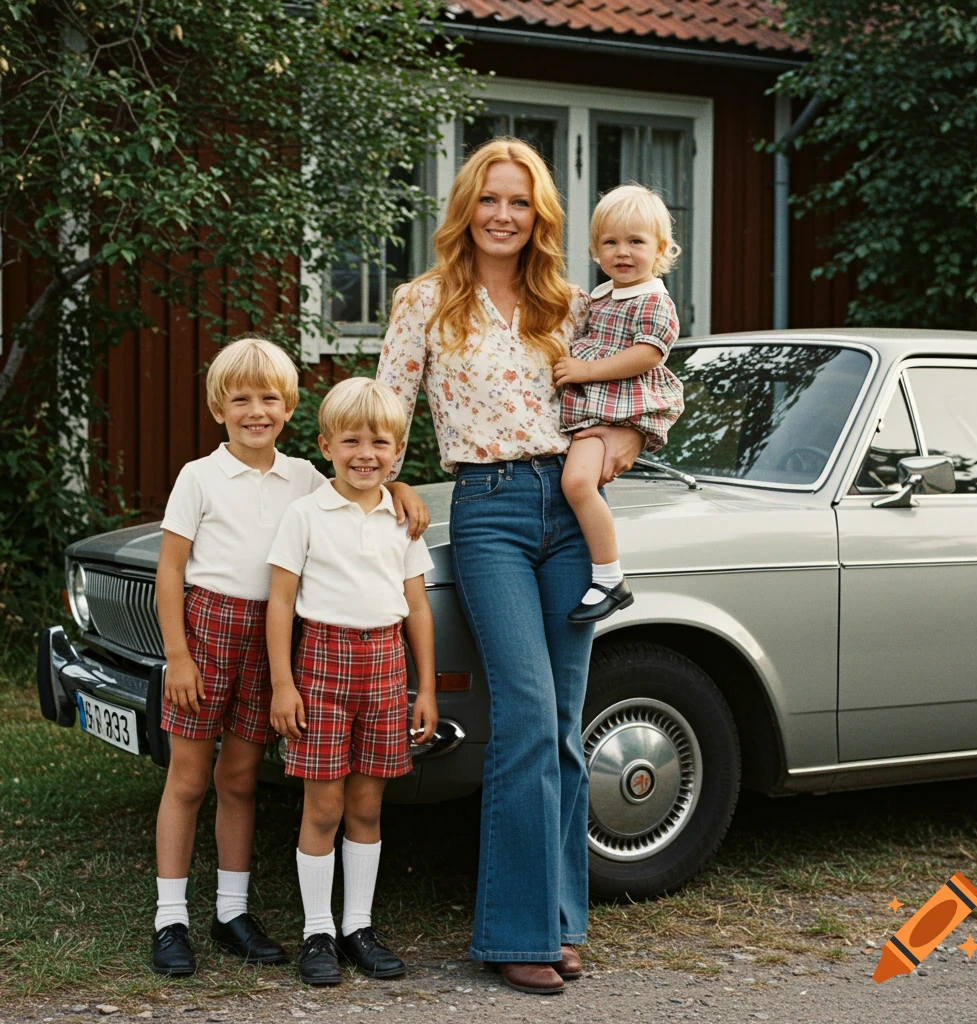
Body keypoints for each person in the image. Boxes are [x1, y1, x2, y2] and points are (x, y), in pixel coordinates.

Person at [377, 138, 644, 995]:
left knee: (565, 722)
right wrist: (388, 490)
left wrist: (621, 442)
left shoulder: (572, 303)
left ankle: (562, 922)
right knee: (526, 713)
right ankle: (511, 932)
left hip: (571, 513)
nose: (503, 215)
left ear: (541, 217)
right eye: (490, 199)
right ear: (466, 208)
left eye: (520, 203)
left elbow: (634, 389)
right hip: (487, 509)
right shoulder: (423, 302)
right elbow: (382, 408)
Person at [152, 337, 427, 978]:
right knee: (189, 779)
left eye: (270, 398)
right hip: (209, 630)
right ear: (219, 407)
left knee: (240, 778)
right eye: (241, 398)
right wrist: (178, 655)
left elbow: (363, 478)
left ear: (289, 406)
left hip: (275, 644)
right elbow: (170, 571)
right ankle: (171, 917)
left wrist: (406, 487)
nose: (256, 410)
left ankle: (231, 912)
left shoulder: (303, 474)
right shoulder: (198, 476)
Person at [265, 376, 438, 987]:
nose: (366, 453)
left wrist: (427, 688)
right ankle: (318, 931)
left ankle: (358, 926)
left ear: (398, 451)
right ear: (326, 446)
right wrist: (283, 685)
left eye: (380, 443)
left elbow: (417, 607)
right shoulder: (305, 514)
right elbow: (281, 604)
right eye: (352, 441)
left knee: (367, 806)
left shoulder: (401, 519)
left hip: (386, 667)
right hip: (322, 668)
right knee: (324, 807)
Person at [553, 184, 686, 622]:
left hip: (615, 412)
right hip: (593, 411)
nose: (622, 252)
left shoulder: (653, 300)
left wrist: (586, 370)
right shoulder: (602, 296)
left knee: (577, 483)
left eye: (636, 242)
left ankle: (611, 577)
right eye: (610, 242)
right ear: (595, 249)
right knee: (576, 483)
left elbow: (648, 353)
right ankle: (604, 572)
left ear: (661, 248)